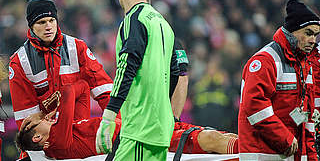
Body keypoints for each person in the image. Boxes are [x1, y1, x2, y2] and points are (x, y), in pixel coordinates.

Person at [16, 80, 238, 159]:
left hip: (141, 127)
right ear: (37, 136)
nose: (44, 118)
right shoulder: (58, 144)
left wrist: (44, 114)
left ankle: (258, 149)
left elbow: (82, 87)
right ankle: (262, 152)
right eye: (38, 122)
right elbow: (66, 91)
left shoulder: (69, 132)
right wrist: (44, 108)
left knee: (220, 135)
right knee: (210, 139)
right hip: (140, 140)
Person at [96, 0, 179, 160]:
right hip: (160, 127)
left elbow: (126, 67)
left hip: (141, 128)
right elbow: (175, 72)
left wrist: (108, 117)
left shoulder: (134, 19)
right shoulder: (163, 22)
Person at [8, 0, 113, 130]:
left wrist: (116, 122)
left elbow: (103, 88)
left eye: (52, 20)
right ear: (31, 26)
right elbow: (26, 117)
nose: (48, 27)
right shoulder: (19, 63)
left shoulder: (77, 47)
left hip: (78, 132)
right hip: (46, 139)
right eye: (41, 22)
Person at [238, 0, 320, 160]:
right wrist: (284, 138)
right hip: (263, 154)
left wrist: (310, 155)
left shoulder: (306, 64)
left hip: (293, 155)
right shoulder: (265, 60)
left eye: (316, 35)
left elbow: (306, 116)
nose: (313, 41)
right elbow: (254, 107)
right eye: (308, 33)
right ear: (292, 31)